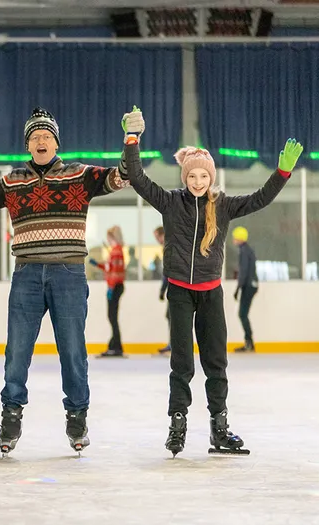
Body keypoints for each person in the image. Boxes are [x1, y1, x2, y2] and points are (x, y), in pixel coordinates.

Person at [0, 107, 130, 456]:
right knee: (17, 351)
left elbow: (121, 177)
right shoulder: (13, 181)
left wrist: (131, 141)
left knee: (73, 350)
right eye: (35, 137)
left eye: (46, 136)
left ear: (56, 142)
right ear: (28, 145)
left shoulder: (80, 174)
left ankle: (77, 416)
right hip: (27, 274)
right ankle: (11, 416)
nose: (41, 141)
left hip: (68, 274)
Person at [121, 106, 302, 457]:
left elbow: (259, 199)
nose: (198, 182)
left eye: (204, 176)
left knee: (215, 362)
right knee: (182, 363)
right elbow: (139, 178)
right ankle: (177, 425)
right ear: (185, 177)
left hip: (211, 293)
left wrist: (281, 173)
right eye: (192, 177)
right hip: (179, 292)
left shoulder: (223, 205)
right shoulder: (171, 203)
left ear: (211, 177)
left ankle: (219, 429)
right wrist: (132, 141)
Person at [90, 226, 126, 357]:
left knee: (112, 316)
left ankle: (116, 346)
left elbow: (115, 271)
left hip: (115, 286)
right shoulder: (116, 250)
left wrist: (111, 287)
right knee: (112, 316)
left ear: (112, 237)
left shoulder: (116, 251)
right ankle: (115, 345)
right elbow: (109, 267)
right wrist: (97, 264)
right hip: (116, 286)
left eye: (108, 237)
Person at [231, 226, 258, 352]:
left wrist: (238, 288)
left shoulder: (244, 251)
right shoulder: (248, 250)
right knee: (243, 314)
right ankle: (249, 342)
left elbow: (244, 271)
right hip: (251, 285)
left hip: (248, 285)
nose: (233, 239)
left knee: (242, 314)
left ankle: (249, 342)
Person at [155, 226, 171, 355]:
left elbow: (167, 271)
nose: (156, 240)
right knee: (170, 316)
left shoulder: (168, 247)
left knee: (172, 316)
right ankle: (172, 343)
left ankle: (173, 344)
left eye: (157, 237)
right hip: (172, 285)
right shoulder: (168, 246)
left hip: (173, 285)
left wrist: (162, 289)